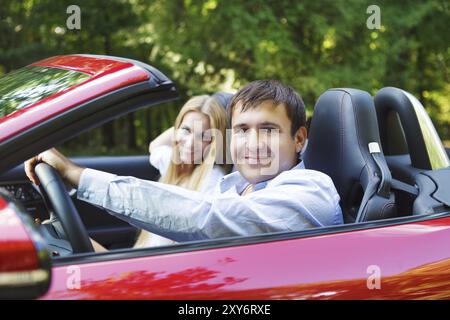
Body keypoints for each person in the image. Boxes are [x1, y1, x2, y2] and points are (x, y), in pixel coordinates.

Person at [25, 80, 343, 246]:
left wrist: (77, 175)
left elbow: (204, 218)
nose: (254, 143)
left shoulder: (311, 188)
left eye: (269, 130)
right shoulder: (232, 186)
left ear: (299, 139)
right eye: (243, 130)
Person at [135, 95, 230, 248]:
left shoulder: (213, 182)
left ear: (214, 143)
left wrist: (186, 128)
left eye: (203, 136)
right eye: (186, 130)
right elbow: (155, 145)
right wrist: (183, 127)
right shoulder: (174, 165)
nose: (191, 143)